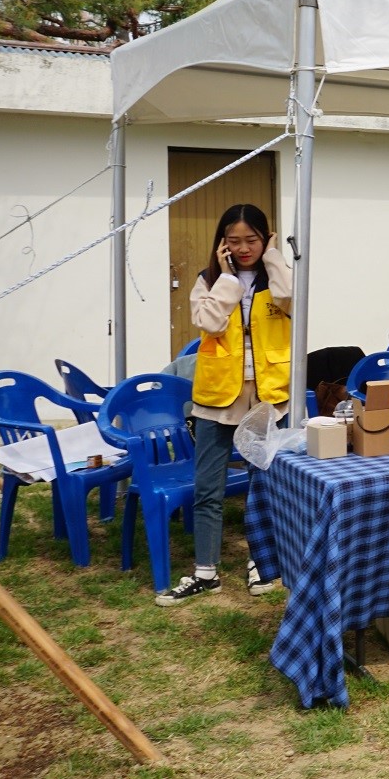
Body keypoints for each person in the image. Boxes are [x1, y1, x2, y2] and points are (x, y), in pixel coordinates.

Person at [159, 203, 290, 607]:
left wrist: (274, 256)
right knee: (208, 488)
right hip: (217, 398)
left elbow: (290, 299)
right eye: (234, 240)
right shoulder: (209, 281)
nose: (244, 248)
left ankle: (262, 563)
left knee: (264, 487)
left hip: (266, 398)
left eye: (252, 240)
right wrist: (229, 280)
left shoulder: (277, 278)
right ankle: (205, 572)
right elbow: (211, 323)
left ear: (265, 239)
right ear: (222, 243)